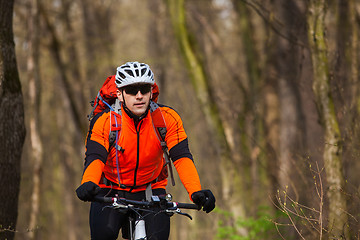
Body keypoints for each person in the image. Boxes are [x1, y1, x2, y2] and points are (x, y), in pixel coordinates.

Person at [76, 61, 216, 240]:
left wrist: (196, 191)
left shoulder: (166, 119)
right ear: (120, 94)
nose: (139, 96)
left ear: (151, 91)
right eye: (132, 90)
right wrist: (88, 182)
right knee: (104, 234)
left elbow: (182, 158)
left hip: (151, 189)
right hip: (110, 189)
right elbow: (96, 157)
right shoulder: (105, 122)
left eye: (144, 89)